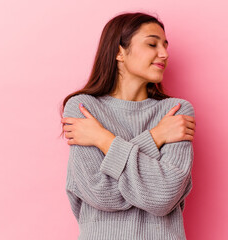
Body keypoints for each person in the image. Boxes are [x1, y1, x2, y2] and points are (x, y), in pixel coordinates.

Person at [59, 12, 196, 240]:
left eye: (165, 46)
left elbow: (163, 197)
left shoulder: (176, 112)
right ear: (119, 52)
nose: (164, 54)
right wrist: (155, 137)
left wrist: (102, 139)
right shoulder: (83, 108)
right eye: (152, 44)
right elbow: (101, 194)